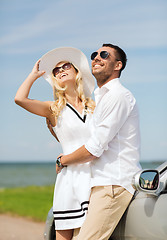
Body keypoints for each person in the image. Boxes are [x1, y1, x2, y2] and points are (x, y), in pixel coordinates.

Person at [56, 43, 142, 240]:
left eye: (104, 55)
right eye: (94, 54)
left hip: (113, 183)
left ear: (118, 65)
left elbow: (94, 148)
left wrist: (63, 160)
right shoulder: (100, 98)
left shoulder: (118, 96)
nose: (96, 57)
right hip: (97, 185)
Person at [14, 47, 95, 240]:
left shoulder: (95, 105)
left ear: (77, 72)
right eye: (56, 70)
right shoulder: (53, 109)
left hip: (96, 177)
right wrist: (33, 75)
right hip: (70, 180)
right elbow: (20, 99)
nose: (61, 70)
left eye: (66, 66)